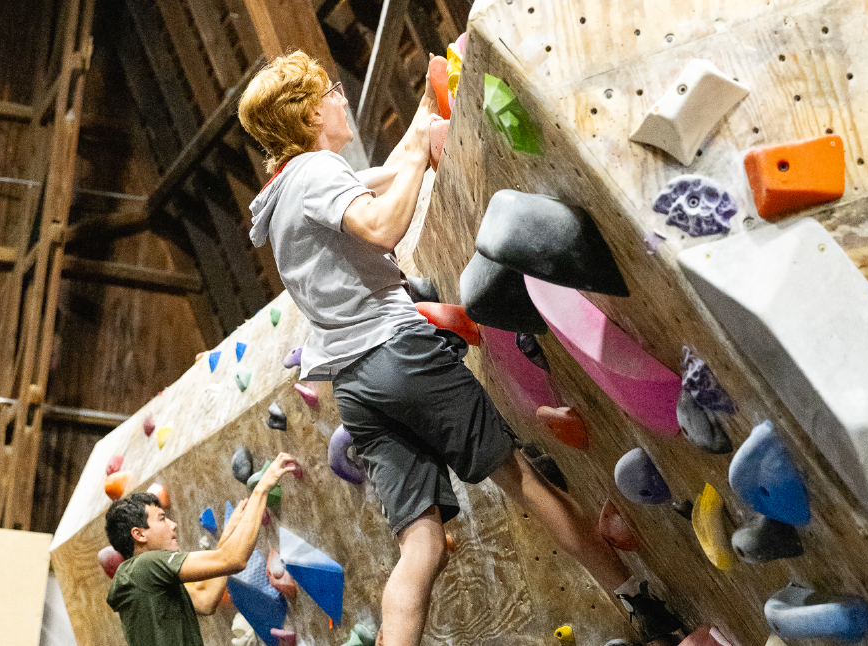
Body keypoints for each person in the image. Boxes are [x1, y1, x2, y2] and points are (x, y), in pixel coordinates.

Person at [233, 51, 681, 646]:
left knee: (420, 545)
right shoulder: (317, 172)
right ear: (310, 112)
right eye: (333, 92)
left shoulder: (288, 191)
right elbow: (382, 227)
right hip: (397, 353)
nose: (343, 98)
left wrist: (425, 114)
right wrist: (420, 150)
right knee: (519, 478)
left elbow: (387, 178)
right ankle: (639, 602)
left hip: (356, 387)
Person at [104, 456, 299, 646]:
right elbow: (234, 560)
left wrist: (227, 536)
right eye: (162, 518)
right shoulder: (146, 565)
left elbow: (204, 599)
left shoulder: (139, 578)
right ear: (139, 534)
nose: (173, 524)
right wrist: (261, 489)